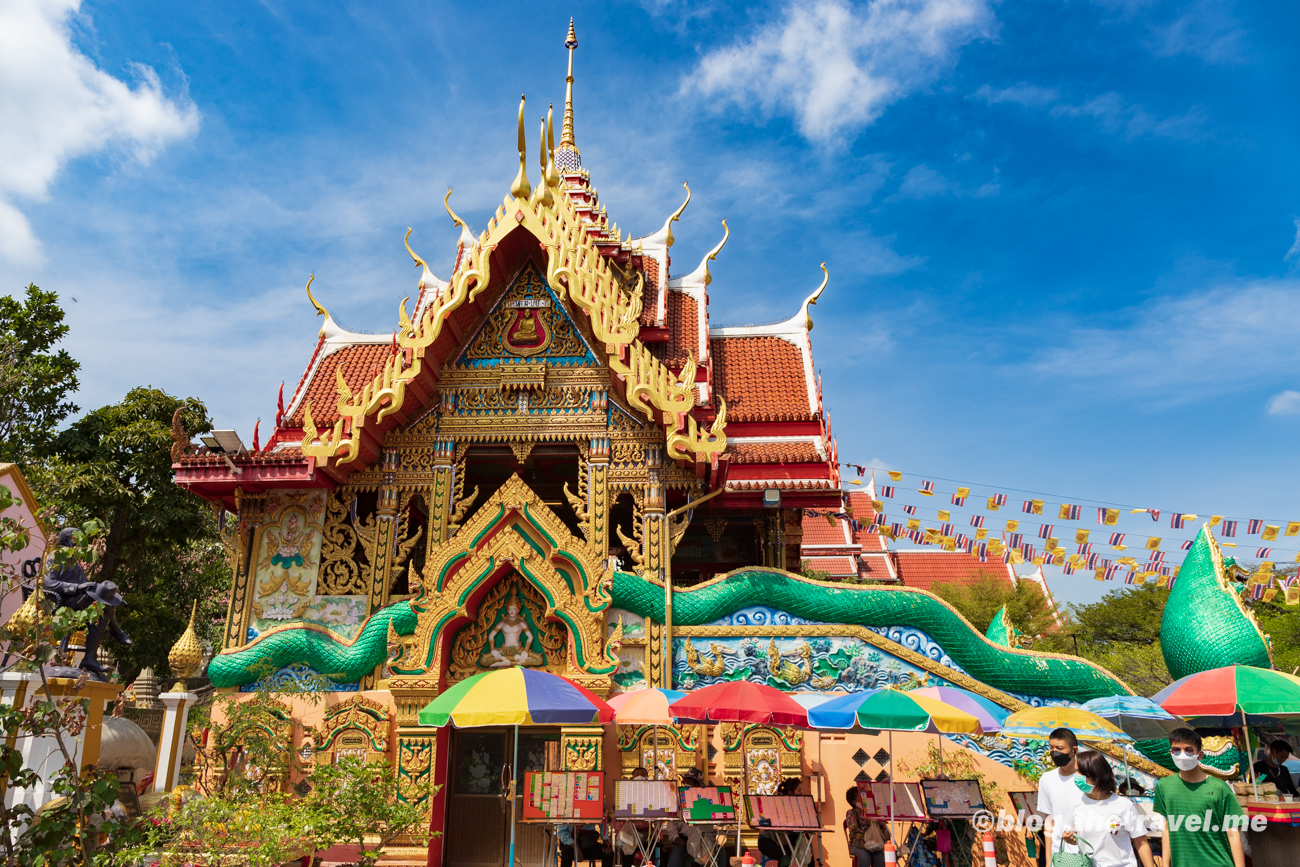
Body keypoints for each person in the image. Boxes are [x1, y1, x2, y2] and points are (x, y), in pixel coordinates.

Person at [43, 528, 132, 676]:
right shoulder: (55, 557)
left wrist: (93, 587)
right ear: (67, 540)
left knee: (101, 611)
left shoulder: (75, 565)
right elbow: (48, 583)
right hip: (59, 603)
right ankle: (116, 630)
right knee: (100, 603)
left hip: (75, 603)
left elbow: (86, 589)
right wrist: (76, 587)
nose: (81, 544)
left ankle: (89, 658)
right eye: (77, 539)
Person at [1152, 727, 1245, 867]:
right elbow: (1168, 827)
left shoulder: (1219, 788)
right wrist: (1165, 864)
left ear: (1200, 755)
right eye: (1176, 749)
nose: (1182, 754)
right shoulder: (1164, 786)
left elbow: (1233, 833)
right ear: (1171, 752)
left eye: (1189, 750)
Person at [1060, 751, 1154, 867]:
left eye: (1079, 771)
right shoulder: (1074, 803)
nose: (1075, 775)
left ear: (1093, 774)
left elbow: (1141, 843)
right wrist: (1068, 838)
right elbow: (1069, 834)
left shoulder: (1124, 805)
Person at [1036, 727, 1088, 866]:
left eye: (1059, 748)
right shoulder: (1047, 779)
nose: (1054, 752)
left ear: (1074, 750)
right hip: (1060, 855)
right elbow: (1049, 821)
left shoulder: (1088, 778)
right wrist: (1048, 861)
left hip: (1088, 853)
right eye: (1051, 748)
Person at [844, 786, 888, 867]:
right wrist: (868, 841)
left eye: (862, 794)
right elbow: (854, 831)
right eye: (858, 795)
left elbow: (883, 827)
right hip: (859, 845)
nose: (862, 796)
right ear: (853, 801)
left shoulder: (873, 812)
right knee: (865, 857)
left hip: (876, 844)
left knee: (881, 857)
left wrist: (884, 839)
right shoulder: (851, 813)